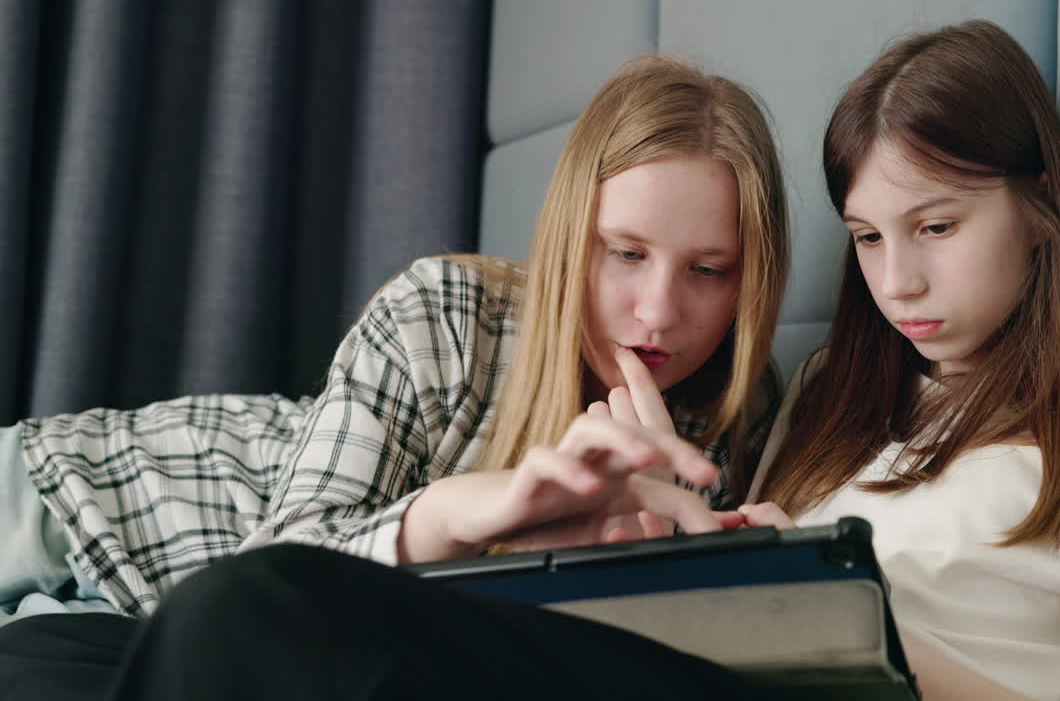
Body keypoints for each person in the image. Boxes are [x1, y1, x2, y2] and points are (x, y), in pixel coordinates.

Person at [0, 53, 789, 699]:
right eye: (625, 253)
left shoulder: (740, 417)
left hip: (153, 633)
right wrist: (452, 514)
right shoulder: (448, 313)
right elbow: (279, 565)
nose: (657, 311)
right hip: (87, 497)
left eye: (708, 270)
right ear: (568, 237)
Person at [741, 19, 1060, 700]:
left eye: (935, 227)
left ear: (1048, 201)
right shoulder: (830, 390)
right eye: (868, 237)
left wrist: (837, 616)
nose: (897, 282)